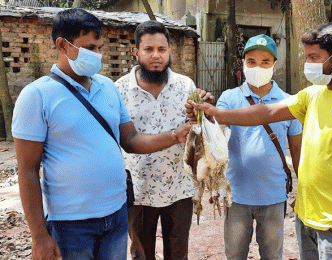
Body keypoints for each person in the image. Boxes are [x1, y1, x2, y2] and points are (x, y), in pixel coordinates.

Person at [187, 23, 332, 260]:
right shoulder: (312, 95)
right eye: (306, 57)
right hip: (306, 221)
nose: (307, 65)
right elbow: (267, 113)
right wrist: (214, 112)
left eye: (313, 57)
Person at [12, 9, 195, 260]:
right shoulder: (37, 96)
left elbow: (130, 141)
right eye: (89, 48)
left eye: (99, 48)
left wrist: (176, 135)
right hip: (71, 224)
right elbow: (27, 170)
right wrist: (39, 236)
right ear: (62, 45)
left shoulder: (107, 88)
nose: (97, 55)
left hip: (117, 216)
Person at [115, 20, 212, 260]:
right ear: (136, 52)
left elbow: (198, 130)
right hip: (138, 189)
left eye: (161, 49)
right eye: (148, 50)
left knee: (178, 254)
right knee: (141, 254)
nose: (156, 56)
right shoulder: (119, 90)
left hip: (179, 187)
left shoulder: (185, 85)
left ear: (169, 51)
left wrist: (204, 111)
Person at [216, 34, 302, 260]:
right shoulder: (228, 99)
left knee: (273, 256)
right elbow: (215, 140)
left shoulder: (289, 102)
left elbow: (297, 150)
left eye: (265, 62)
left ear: (275, 65)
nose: (257, 67)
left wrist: (303, 188)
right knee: (234, 255)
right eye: (251, 61)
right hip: (236, 196)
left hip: (273, 196)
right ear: (243, 64)